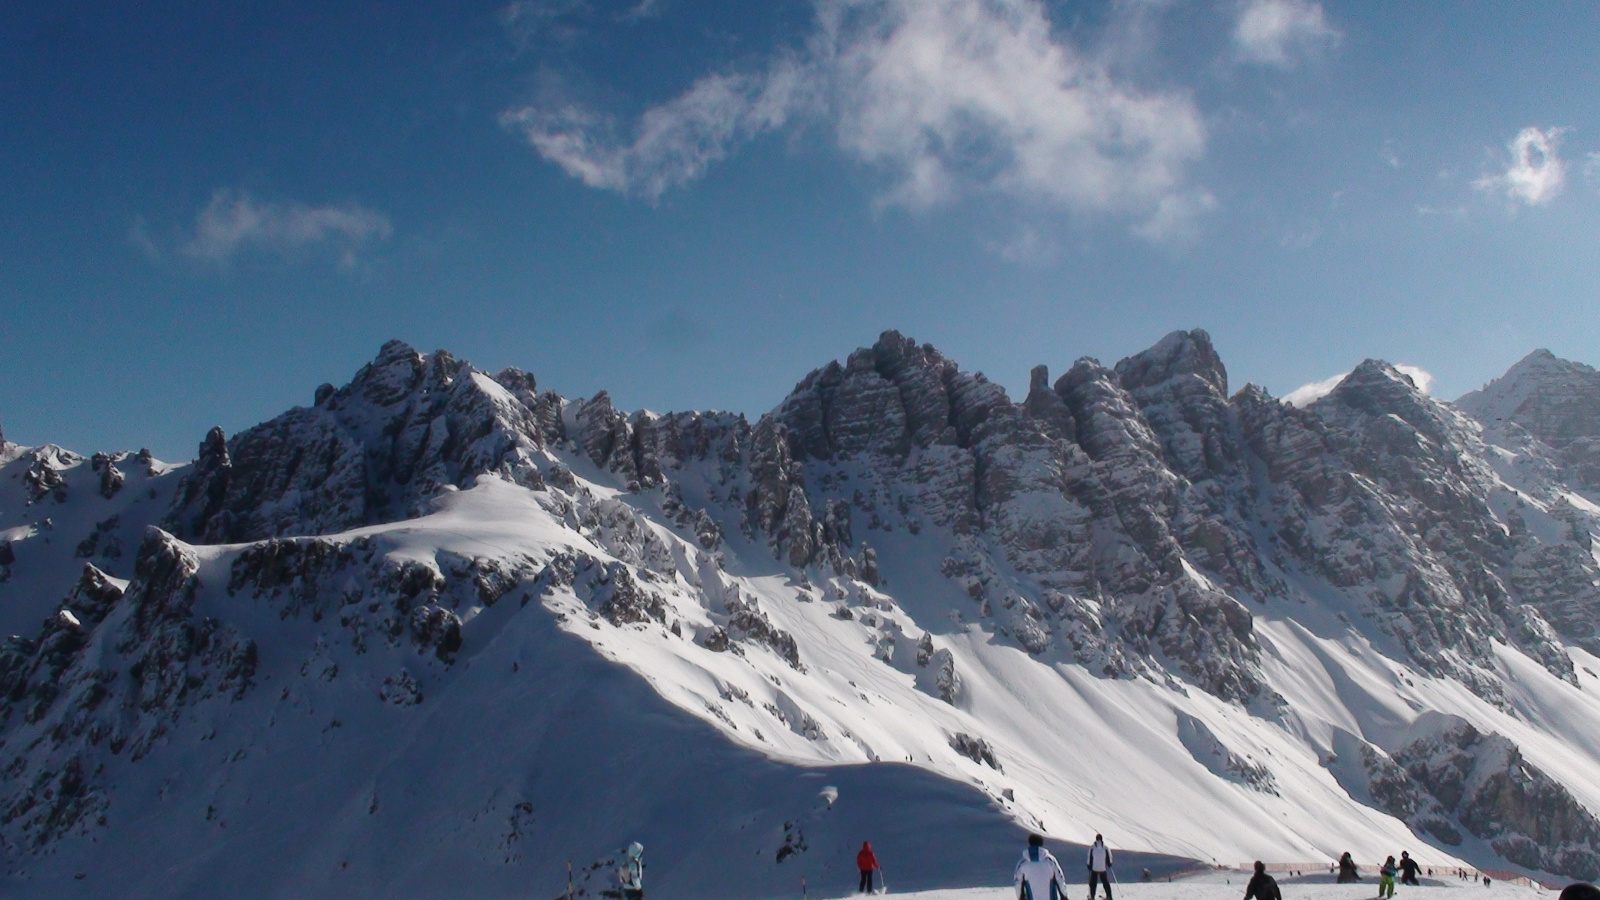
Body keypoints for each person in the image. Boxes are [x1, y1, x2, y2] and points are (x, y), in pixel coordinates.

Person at [1016, 833, 1068, 900]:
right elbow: (1060, 878)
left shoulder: (1023, 862)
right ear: (1041, 843)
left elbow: (1018, 883)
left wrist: (1020, 897)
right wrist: (1064, 896)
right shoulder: (1050, 860)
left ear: (1029, 843)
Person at [1087, 833, 1114, 900]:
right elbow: (1109, 857)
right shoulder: (1105, 848)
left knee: (1093, 883)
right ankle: (1109, 896)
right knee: (1105, 882)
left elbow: (1089, 857)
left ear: (1096, 839)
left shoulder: (1092, 847)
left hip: (1094, 868)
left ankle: (1092, 896)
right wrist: (1109, 864)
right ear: (1102, 839)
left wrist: (1089, 865)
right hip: (1102, 868)